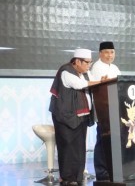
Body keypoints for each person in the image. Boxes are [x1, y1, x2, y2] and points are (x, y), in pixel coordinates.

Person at [48, 48, 102, 185]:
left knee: (79, 148)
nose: (89, 65)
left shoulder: (85, 73)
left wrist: (103, 81)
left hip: (81, 116)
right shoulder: (66, 71)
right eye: (87, 62)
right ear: (77, 61)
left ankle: (77, 177)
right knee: (67, 147)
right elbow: (79, 85)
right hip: (65, 116)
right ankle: (67, 178)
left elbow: (93, 82)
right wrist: (100, 82)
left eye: (90, 62)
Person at [90, 41, 121, 181]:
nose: (110, 55)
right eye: (107, 52)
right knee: (102, 141)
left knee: (110, 141)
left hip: (114, 110)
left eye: (112, 52)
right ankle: (102, 172)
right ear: (100, 53)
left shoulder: (114, 67)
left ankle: (112, 170)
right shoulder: (97, 67)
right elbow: (98, 89)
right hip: (103, 111)